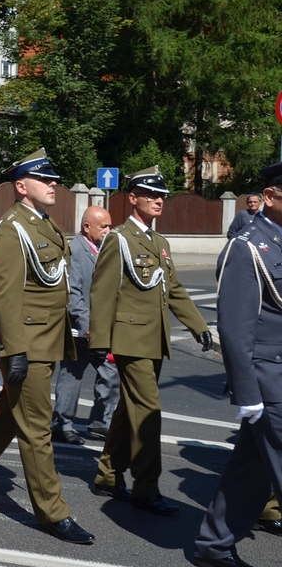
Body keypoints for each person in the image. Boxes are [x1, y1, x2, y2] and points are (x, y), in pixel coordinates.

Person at [0, 149, 94, 545]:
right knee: (36, 430)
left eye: (54, 180)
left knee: (13, 415)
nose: (53, 184)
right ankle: (52, 513)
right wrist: (15, 349)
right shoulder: (13, 227)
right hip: (25, 343)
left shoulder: (43, 224)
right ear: (22, 187)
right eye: (45, 180)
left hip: (46, 340)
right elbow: (4, 293)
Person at [89, 166, 212, 515]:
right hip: (130, 340)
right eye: (151, 195)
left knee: (130, 410)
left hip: (153, 340)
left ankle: (109, 474)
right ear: (133, 199)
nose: (158, 201)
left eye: (161, 196)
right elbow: (102, 290)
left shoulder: (159, 242)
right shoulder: (119, 238)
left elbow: (173, 289)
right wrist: (100, 339)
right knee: (148, 412)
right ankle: (146, 487)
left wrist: (197, 324)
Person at [191, 162, 282, 567]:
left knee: (252, 467)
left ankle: (214, 543)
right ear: (270, 196)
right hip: (269, 377)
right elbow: (233, 327)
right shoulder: (246, 247)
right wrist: (248, 395)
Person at [50, 206, 121, 445]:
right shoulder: (75, 250)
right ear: (87, 227)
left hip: (102, 327)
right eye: (104, 226)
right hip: (79, 329)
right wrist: (86, 323)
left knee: (110, 373)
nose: (109, 230)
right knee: (72, 374)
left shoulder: (105, 248)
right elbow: (73, 293)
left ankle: (100, 423)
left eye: (110, 225)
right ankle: (62, 424)